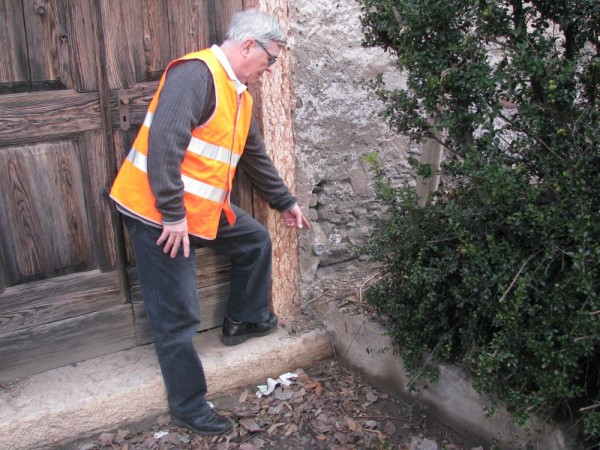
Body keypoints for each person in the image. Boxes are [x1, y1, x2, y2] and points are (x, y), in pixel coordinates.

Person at [109, 8, 310, 436]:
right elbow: (164, 145)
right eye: (271, 58)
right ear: (248, 45)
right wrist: (172, 215)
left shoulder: (239, 94)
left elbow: (253, 155)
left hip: (200, 210)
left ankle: (244, 319)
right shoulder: (195, 75)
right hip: (157, 214)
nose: (272, 68)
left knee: (254, 241)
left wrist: (285, 201)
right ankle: (188, 406)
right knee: (178, 313)